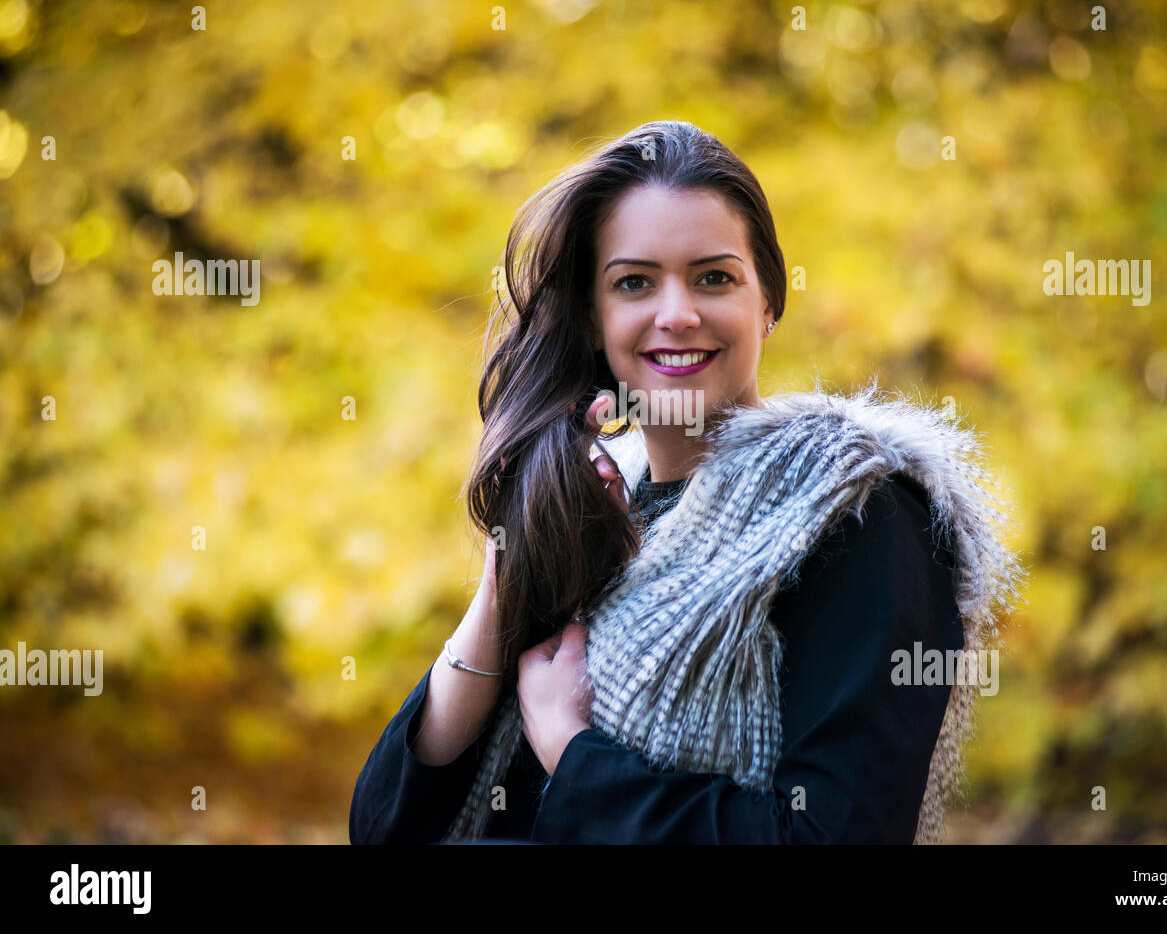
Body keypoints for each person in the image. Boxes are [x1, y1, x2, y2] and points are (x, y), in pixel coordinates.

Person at [349, 120, 1023, 844]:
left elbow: (833, 835)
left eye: (714, 277)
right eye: (634, 282)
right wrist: (503, 587)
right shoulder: (600, 512)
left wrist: (576, 756)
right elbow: (388, 826)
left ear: (768, 302)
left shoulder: (856, 508)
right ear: (594, 316)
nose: (677, 313)